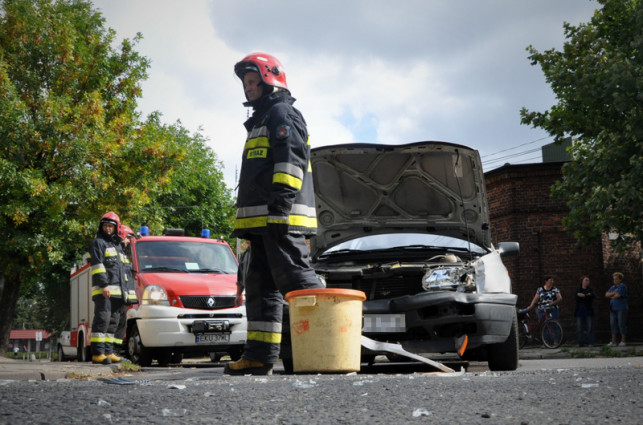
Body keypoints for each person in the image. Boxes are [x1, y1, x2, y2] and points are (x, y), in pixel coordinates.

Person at [224, 52, 323, 375]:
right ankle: (259, 356)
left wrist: (280, 209)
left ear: (270, 80)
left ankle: (323, 349)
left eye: (253, 81)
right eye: (245, 83)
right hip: (263, 225)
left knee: (298, 282)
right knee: (261, 290)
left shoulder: (283, 113)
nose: (248, 88)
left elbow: (290, 162)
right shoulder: (262, 120)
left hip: (282, 220)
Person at [88, 211, 126, 364]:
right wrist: (104, 285)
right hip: (104, 290)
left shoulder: (117, 246)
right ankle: (98, 354)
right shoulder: (98, 243)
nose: (108, 228)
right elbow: (98, 266)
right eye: (105, 226)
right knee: (102, 321)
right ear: (101, 227)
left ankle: (108, 353)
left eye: (111, 226)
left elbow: (122, 270)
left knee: (113, 323)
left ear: (116, 228)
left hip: (117, 292)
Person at [113, 224, 139, 355]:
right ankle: (111, 352)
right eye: (128, 238)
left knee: (121, 325)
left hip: (122, 297)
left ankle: (116, 352)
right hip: (115, 297)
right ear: (121, 236)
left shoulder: (123, 253)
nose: (129, 241)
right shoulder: (116, 251)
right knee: (115, 324)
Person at [605, 272, 628, 347]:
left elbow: (618, 295)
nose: (614, 280)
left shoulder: (622, 286)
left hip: (621, 308)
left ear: (620, 279)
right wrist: (613, 294)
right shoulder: (613, 287)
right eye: (613, 279)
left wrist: (612, 295)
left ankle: (623, 341)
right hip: (613, 308)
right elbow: (606, 294)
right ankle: (613, 341)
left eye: (616, 279)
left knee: (621, 324)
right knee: (613, 324)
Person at [574, 276, 595, 347]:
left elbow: (591, 296)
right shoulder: (578, 289)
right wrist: (586, 296)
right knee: (580, 328)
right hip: (580, 311)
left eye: (588, 280)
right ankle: (580, 342)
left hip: (588, 310)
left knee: (590, 327)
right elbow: (576, 297)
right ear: (582, 281)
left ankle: (590, 342)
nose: (587, 282)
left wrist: (584, 296)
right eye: (586, 280)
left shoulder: (590, 290)